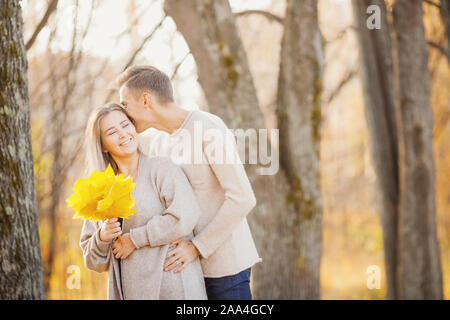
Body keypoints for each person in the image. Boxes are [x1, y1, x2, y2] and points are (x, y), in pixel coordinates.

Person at [117, 65, 261, 300]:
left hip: (227, 270)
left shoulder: (208, 128)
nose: (124, 114)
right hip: (186, 275)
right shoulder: (157, 144)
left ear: (145, 100)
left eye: (125, 105)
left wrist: (197, 247)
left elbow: (243, 198)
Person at [79, 103, 207, 300]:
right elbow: (93, 261)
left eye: (125, 125)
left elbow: (185, 214)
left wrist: (135, 239)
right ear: (103, 144)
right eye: (112, 132)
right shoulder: (100, 188)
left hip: (174, 287)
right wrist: (102, 236)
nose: (123, 134)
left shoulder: (161, 168)